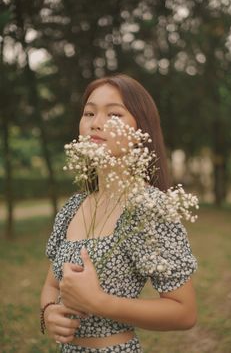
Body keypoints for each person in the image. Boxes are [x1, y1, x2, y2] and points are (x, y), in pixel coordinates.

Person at [40, 74, 198, 353]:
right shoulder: (73, 207)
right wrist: (49, 313)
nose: (96, 122)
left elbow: (184, 313)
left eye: (114, 114)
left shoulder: (148, 208)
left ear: (141, 130)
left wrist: (98, 302)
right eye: (89, 112)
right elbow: (52, 284)